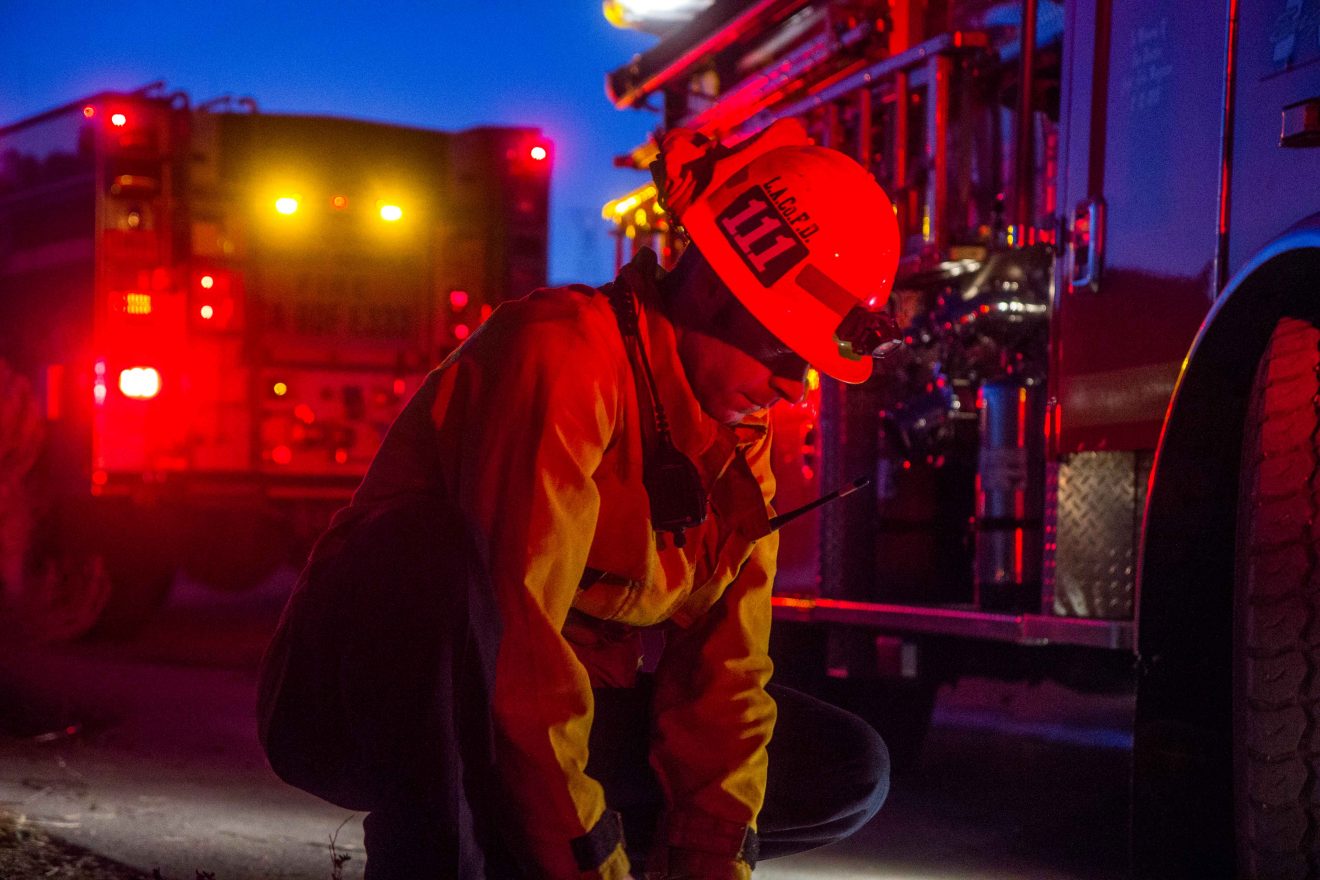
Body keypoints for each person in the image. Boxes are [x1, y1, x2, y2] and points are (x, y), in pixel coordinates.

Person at [257, 118, 903, 880]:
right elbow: (518, 643)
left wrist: (709, 860)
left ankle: (529, 838)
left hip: (551, 710)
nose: (795, 388)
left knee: (848, 766)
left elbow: (727, 676)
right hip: (363, 703)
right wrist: (585, 862)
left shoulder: (738, 440)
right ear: (713, 289)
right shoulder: (563, 354)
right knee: (431, 563)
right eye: (784, 350)